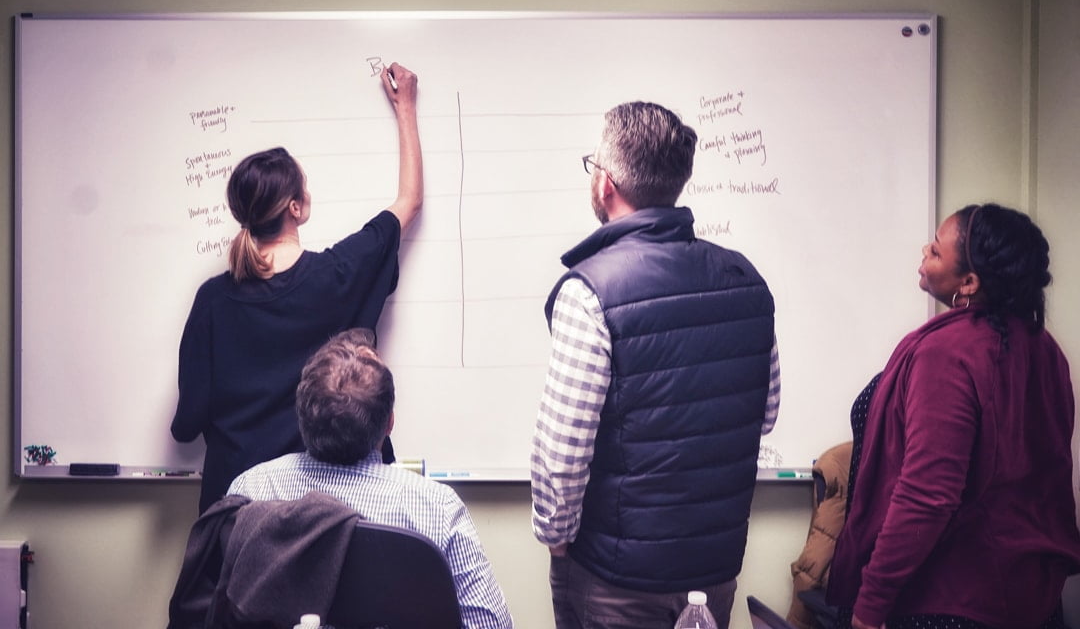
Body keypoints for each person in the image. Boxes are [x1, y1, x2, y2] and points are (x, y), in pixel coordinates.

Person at [530, 101, 781, 629]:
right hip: (713, 576)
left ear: (606, 183)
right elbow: (765, 413)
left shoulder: (589, 291)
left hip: (616, 583)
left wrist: (557, 541)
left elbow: (562, 455)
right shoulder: (746, 280)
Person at [172, 62, 423, 513]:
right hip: (322, 512)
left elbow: (187, 424)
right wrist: (406, 107)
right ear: (295, 207)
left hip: (235, 513)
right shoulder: (341, 273)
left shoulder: (212, 300)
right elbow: (409, 202)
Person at [828, 204, 1080, 629]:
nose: (924, 251)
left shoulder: (948, 353)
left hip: (952, 601)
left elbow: (926, 495)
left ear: (969, 283)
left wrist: (870, 606)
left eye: (936, 250)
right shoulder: (1046, 350)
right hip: (1034, 601)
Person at [227, 327, 514, 629]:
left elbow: (219, 610)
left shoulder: (249, 490)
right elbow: (492, 625)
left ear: (302, 419)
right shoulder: (436, 509)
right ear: (389, 422)